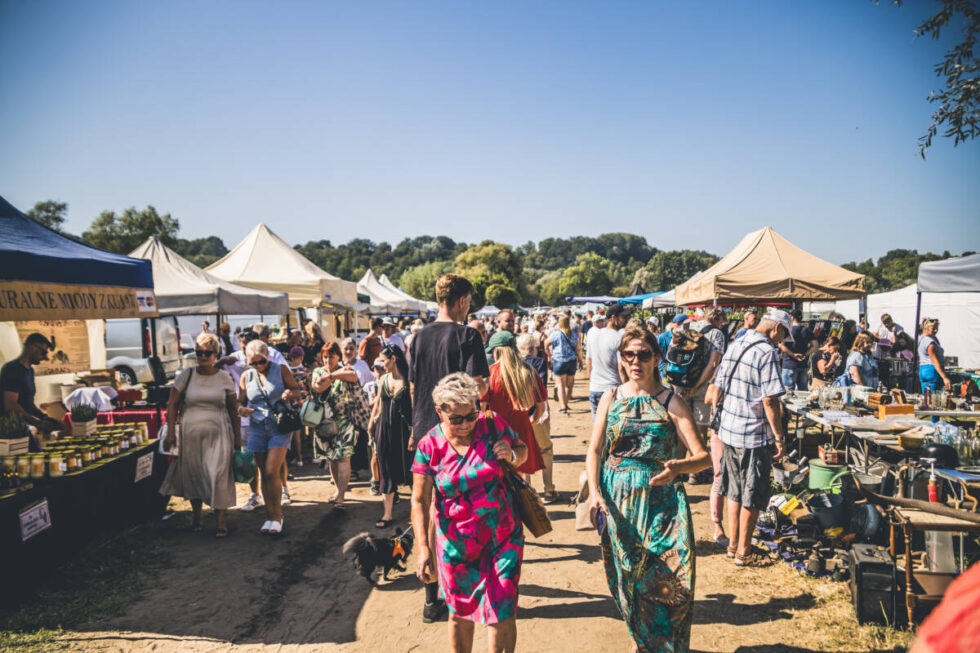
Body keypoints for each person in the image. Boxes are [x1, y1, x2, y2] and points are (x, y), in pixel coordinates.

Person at [585, 325, 709, 652]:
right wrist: (596, 494)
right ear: (621, 358)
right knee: (627, 582)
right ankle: (639, 641)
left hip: (662, 502)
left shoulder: (671, 401)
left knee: (672, 579)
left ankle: (660, 645)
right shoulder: (611, 398)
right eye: (629, 354)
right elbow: (595, 450)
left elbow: (703, 458)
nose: (636, 361)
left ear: (656, 358)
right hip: (618, 501)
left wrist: (680, 467)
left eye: (643, 354)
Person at [411, 373, 528, 653]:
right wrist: (423, 549)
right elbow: (419, 500)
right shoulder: (428, 446)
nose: (465, 424)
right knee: (460, 612)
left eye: (470, 416)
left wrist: (512, 455)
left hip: (503, 536)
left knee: (503, 608)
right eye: (456, 419)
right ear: (439, 412)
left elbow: (523, 450)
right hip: (455, 544)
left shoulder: (492, 424)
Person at [409, 273, 490, 624]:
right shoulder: (467, 334)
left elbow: (413, 387)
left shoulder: (417, 337)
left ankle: (431, 596)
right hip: (459, 431)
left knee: (425, 505)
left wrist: (416, 428)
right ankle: (466, 581)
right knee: (461, 506)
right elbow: (480, 386)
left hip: (425, 426)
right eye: (468, 301)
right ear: (460, 301)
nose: (468, 307)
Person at [707, 308, 788, 567]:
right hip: (753, 433)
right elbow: (770, 399)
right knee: (752, 494)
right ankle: (744, 551)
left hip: (729, 429)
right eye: (783, 335)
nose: (782, 342)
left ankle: (733, 544)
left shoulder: (738, 341)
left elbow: (718, 385)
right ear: (776, 328)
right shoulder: (767, 352)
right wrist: (779, 436)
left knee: (734, 491)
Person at [160, 333, 240, 537]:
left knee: (218, 474)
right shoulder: (186, 375)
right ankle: (197, 516)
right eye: (199, 352)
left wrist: (238, 437)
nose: (202, 356)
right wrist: (170, 432)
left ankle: (221, 519)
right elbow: (172, 404)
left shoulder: (224, 378)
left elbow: (233, 409)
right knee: (194, 473)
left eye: (207, 353)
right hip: (190, 433)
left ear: (215, 354)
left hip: (220, 433)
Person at [240, 339, 302, 535]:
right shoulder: (247, 376)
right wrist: (241, 409)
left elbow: (298, 392)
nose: (258, 366)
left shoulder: (281, 369)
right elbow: (238, 401)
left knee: (270, 471)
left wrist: (289, 394)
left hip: (280, 426)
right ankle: (270, 515)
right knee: (262, 473)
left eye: (261, 362)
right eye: (253, 363)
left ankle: (277, 516)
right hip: (257, 426)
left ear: (268, 358)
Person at [675, 307, 726, 489]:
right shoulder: (717, 334)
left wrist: (683, 384)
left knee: (681, 426)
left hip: (680, 383)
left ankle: (678, 469)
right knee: (699, 429)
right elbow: (713, 363)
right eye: (721, 321)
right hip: (702, 387)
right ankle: (694, 473)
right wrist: (696, 386)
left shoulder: (684, 326)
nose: (722, 325)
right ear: (716, 319)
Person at [484, 339, 547, 483]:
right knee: (519, 472)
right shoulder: (528, 371)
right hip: (522, 425)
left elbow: (482, 406)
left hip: (496, 428)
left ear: (497, 351)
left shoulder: (490, 373)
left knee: (498, 472)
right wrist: (532, 421)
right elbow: (541, 406)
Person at [310, 342, 363, 507]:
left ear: (338, 357)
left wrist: (332, 376)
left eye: (331, 357)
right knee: (331, 458)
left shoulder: (345, 370)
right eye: (325, 357)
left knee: (343, 458)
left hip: (345, 420)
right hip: (324, 421)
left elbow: (353, 377)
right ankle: (337, 489)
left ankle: (341, 495)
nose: (327, 361)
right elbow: (318, 387)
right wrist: (329, 376)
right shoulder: (318, 372)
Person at [367, 345, 413, 528]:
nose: (381, 364)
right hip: (384, 429)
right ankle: (387, 514)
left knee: (409, 469)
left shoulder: (409, 381)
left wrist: (414, 433)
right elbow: (378, 403)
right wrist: (372, 422)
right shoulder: (383, 379)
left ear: (393, 359)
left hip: (404, 432)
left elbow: (414, 408)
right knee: (385, 468)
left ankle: (416, 510)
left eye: (383, 360)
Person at [0, 333, 62, 441]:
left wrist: (44, 418)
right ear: (32, 347)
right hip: (8, 430)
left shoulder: (29, 371)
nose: (45, 358)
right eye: (43, 352)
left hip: (21, 427)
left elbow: (27, 403)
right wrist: (37, 422)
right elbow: (11, 405)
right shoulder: (12, 369)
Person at [586, 303, 628, 417]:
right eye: (623, 317)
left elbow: (588, 362)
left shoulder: (593, 335)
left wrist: (593, 381)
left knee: (598, 429)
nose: (626, 320)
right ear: (613, 318)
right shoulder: (619, 338)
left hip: (595, 388)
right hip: (613, 389)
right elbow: (621, 368)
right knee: (613, 430)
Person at [545, 315, 583, 414]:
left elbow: (546, 342)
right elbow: (578, 349)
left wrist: (549, 354)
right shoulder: (574, 334)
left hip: (559, 360)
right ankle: (565, 403)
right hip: (571, 361)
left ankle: (563, 407)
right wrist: (580, 361)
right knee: (569, 385)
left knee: (560, 384)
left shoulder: (556, 334)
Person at [779, 310, 817, 391]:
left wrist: (793, 355)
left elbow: (781, 345)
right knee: (803, 391)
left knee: (788, 392)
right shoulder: (807, 330)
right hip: (803, 364)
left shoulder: (787, 329)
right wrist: (805, 354)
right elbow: (815, 346)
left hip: (789, 364)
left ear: (792, 317)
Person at [286, 346, 310, 468]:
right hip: (306, 402)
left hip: (294, 403)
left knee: (297, 432)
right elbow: (309, 385)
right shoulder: (305, 371)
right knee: (311, 428)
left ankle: (299, 458)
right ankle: (315, 456)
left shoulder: (288, 371)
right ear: (301, 357)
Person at [918, 318, 951, 392]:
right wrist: (944, 377)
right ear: (925, 328)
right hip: (932, 370)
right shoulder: (930, 343)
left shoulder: (920, 339)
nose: (936, 330)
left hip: (922, 369)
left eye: (937, 328)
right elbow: (934, 360)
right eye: (933, 328)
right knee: (934, 398)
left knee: (926, 397)